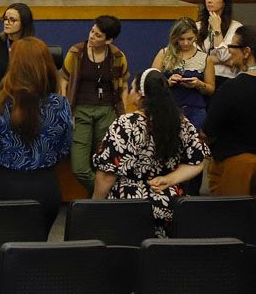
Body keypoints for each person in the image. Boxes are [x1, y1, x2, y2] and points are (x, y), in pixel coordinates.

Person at [93, 69, 210, 237]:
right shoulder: (181, 122)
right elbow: (198, 161)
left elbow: (107, 175)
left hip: (128, 206)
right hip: (168, 203)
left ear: (140, 94)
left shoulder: (126, 124)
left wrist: (95, 205)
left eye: (132, 88)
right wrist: (169, 179)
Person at [203, 25, 256, 246]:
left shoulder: (232, 89)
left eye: (232, 46)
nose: (229, 51)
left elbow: (208, 132)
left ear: (247, 51)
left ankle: (232, 275)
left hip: (237, 166)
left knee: (231, 228)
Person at [0, 36, 72, 232]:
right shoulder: (60, 104)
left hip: (5, 186)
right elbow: (64, 149)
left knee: (4, 247)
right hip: (45, 187)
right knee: (36, 251)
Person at [59, 15, 130, 193]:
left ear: (109, 40)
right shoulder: (76, 52)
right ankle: (106, 196)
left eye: (98, 35)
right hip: (81, 110)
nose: (92, 36)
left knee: (106, 163)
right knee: (80, 167)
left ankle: (98, 203)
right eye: (92, 31)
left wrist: (124, 114)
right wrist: (66, 109)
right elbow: (64, 80)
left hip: (107, 111)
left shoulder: (117, 56)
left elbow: (124, 85)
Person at [151, 17, 214, 196]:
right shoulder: (164, 53)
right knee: (169, 150)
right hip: (170, 109)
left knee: (194, 153)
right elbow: (150, 81)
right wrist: (167, 81)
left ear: (196, 37)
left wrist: (198, 84)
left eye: (190, 39)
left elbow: (211, 88)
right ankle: (166, 191)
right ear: (175, 38)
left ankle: (192, 194)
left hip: (196, 110)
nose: (186, 43)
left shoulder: (205, 58)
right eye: (182, 39)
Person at [197, 0, 243, 93]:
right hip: (202, 79)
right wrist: (224, 61)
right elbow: (195, 59)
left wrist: (217, 28)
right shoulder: (197, 26)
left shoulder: (236, 27)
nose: (209, 0)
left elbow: (223, 56)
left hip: (226, 80)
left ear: (224, 2)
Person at [0, 3, 35, 95]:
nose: (6, 23)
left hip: (25, 98)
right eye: (5, 19)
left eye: (12, 20)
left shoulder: (33, 46)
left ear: (24, 23)